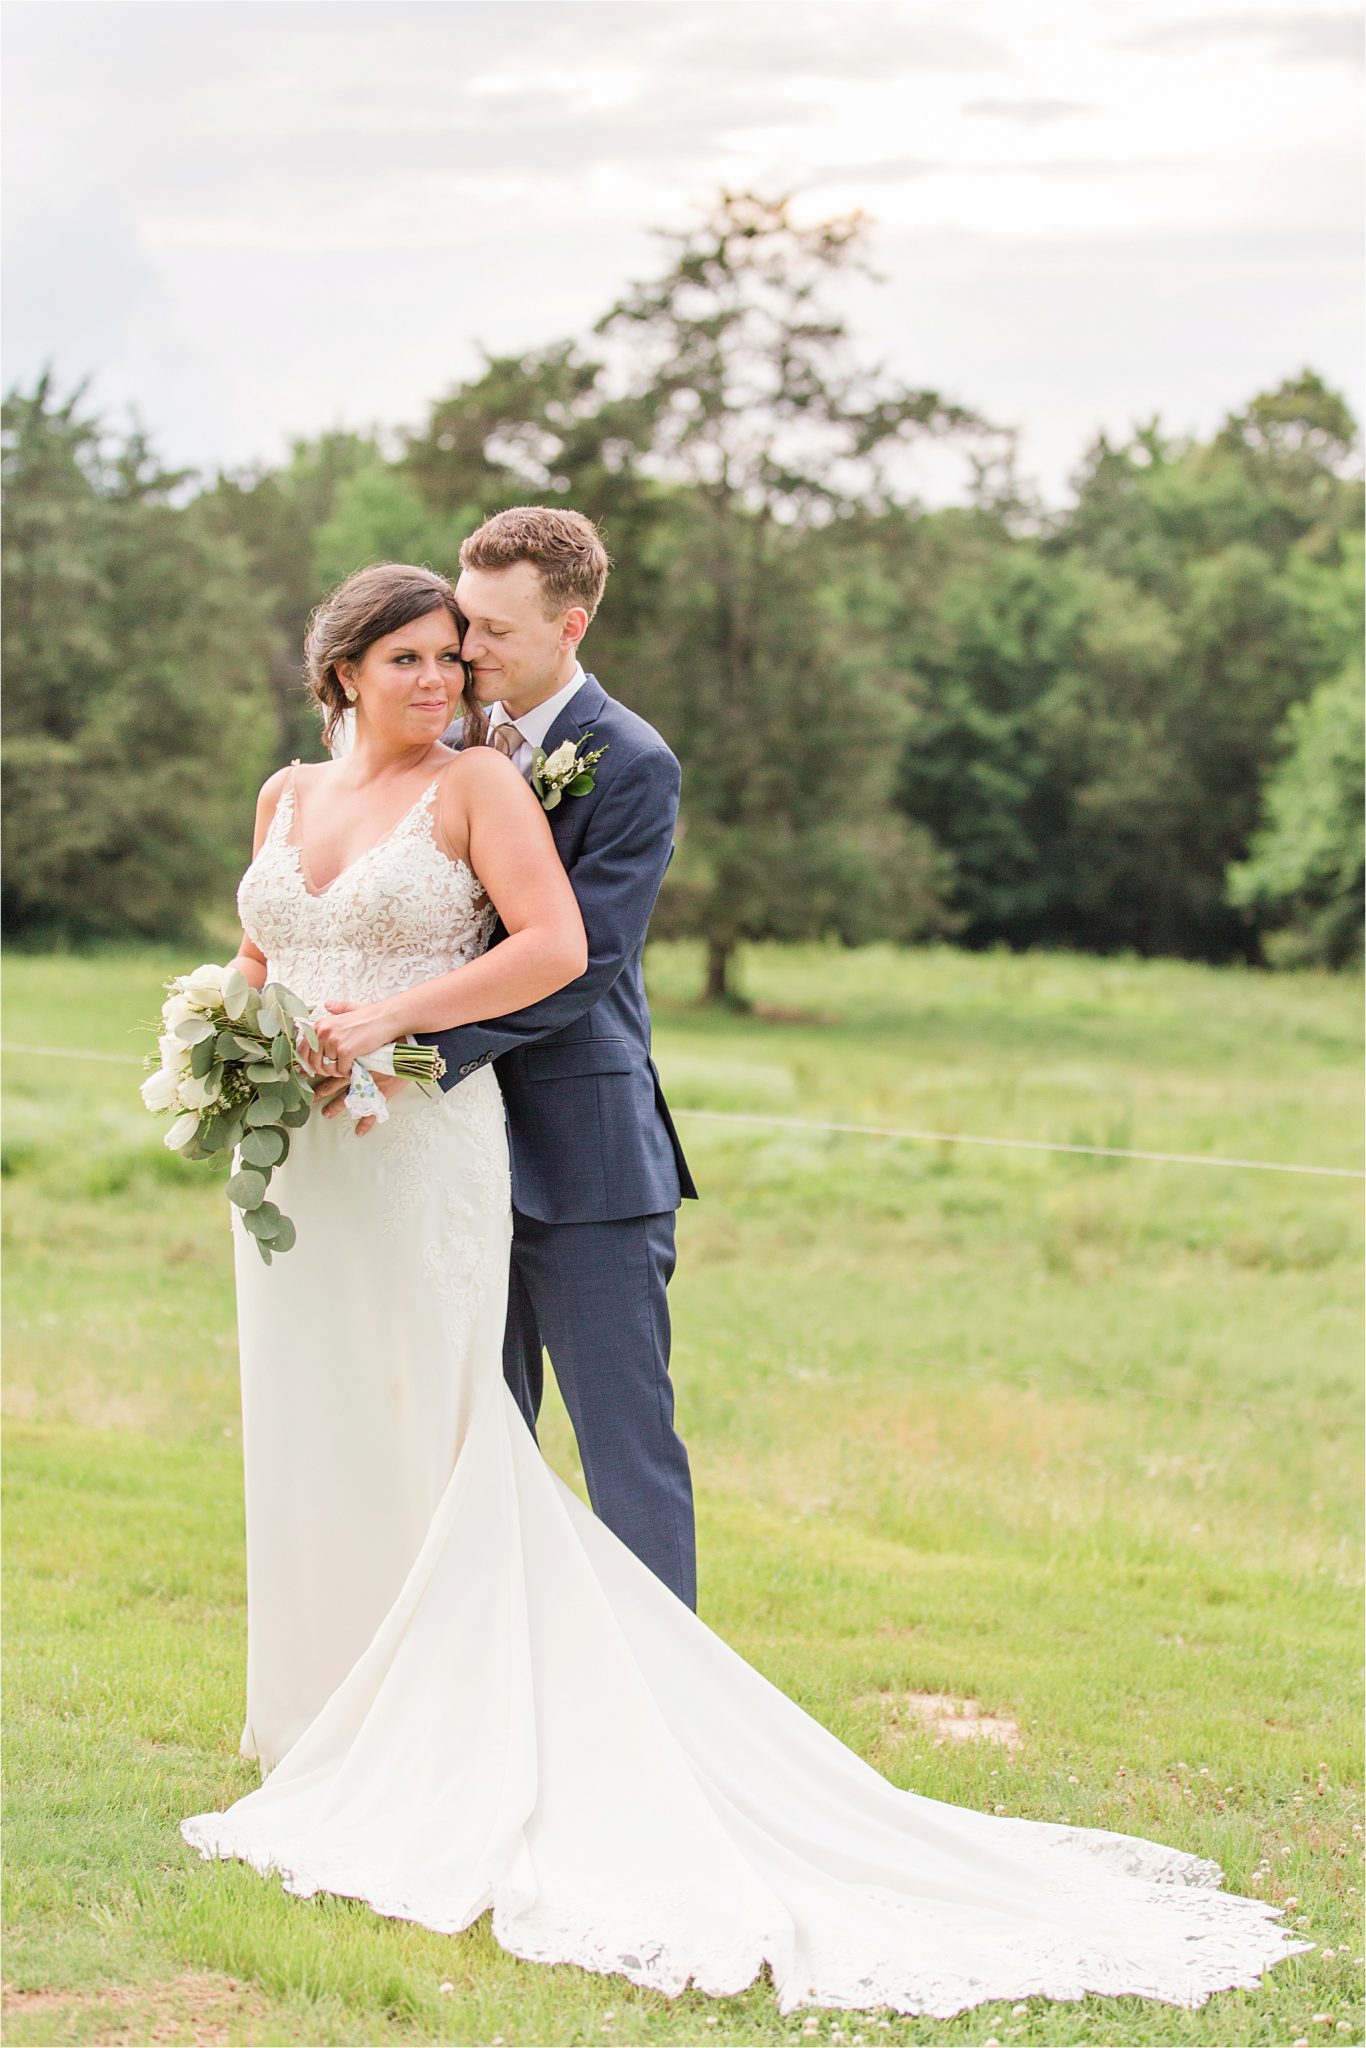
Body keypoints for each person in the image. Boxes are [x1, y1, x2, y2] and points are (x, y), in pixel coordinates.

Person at [181, 551, 1309, 2018]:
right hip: (318, 1164)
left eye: (471, 647)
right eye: (429, 650)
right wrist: (238, 1041)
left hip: (511, 1134)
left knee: (582, 1444)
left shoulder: (573, 767)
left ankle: (643, 1733)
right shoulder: (311, 787)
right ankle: (350, 1714)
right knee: (362, 1426)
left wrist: (390, 1039)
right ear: (344, 666)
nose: (456, 672)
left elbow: (570, 963)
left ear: (554, 629)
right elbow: (269, 946)